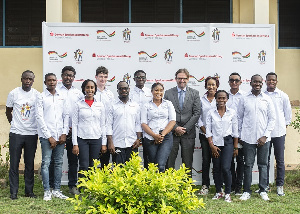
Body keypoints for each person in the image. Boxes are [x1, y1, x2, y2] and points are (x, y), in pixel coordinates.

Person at [238, 74, 276, 201]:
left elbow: (272, 119)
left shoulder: (267, 99)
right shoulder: (244, 98)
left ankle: (263, 189)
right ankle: (247, 191)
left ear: (262, 83)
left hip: (264, 139)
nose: (257, 84)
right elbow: (239, 118)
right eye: (255, 82)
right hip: (248, 138)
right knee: (248, 165)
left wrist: (265, 136)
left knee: (263, 164)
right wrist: (240, 136)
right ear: (251, 83)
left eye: (259, 82)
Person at [6, 70, 39, 200]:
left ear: (33, 80)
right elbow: (9, 111)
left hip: (32, 134)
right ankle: (13, 192)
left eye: (30, 79)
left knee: (29, 163)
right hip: (16, 133)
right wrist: (14, 124)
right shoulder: (13, 93)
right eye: (25, 78)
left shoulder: (37, 95)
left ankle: (29, 191)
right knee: (14, 163)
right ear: (21, 79)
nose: (27, 81)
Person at [36, 73, 69, 201]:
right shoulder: (41, 97)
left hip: (60, 136)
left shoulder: (62, 97)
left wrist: (64, 133)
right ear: (45, 83)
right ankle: (47, 191)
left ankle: (56, 190)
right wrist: (49, 136)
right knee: (46, 163)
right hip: (46, 137)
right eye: (49, 80)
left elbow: (66, 116)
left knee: (58, 163)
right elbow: (39, 117)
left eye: (54, 80)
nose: (51, 82)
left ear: (57, 82)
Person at [164, 68, 201, 177]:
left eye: (184, 78)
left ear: (188, 79)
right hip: (172, 132)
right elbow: (165, 113)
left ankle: (187, 187)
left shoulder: (195, 93)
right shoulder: (168, 93)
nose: (181, 81)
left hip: (188, 133)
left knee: (187, 162)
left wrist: (184, 128)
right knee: (169, 161)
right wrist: (175, 127)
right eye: (179, 78)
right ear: (175, 79)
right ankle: (169, 186)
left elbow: (197, 113)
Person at [206, 90, 239, 203]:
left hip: (228, 142)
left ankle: (228, 193)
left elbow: (235, 132)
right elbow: (208, 131)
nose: (221, 100)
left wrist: (235, 147)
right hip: (215, 143)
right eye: (219, 98)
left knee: (226, 168)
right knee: (216, 168)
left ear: (227, 99)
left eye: (223, 98)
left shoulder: (232, 112)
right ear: (216, 99)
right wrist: (212, 146)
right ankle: (219, 191)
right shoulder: (211, 113)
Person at [55, 66, 84, 195]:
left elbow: (81, 112)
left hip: (73, 131)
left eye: (71, 75)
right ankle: (52, 185)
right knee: (55, 159)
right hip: (58, 131)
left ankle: (72, 185)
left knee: (73, 160)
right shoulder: (55, 91)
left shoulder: (78, 93)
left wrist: (74, 127)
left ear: (74, 78)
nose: (68, 77)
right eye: (66, 75)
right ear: (61, 76)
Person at [72, 79, 107, 178]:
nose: (90, 90)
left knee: (93, 166)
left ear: (95, 89)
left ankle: (92, 190)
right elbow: (74, 124)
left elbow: (103, 125)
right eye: (87, 87)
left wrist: (103, 143)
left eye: (92, 87)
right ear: (83, 89)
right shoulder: (78, 104)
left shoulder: (100, 105)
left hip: (96, 139)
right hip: (82, 138)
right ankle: (83, 190)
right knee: (83, 165)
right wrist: (75, 144)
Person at [264, 72, 292, 196]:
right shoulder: (262, 95)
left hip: (279, 133)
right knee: (265, 160)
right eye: (269, 80)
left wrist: (282, 128)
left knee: (280, 161)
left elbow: (288, 115)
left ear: (276, 81)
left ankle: (280, 185)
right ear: (266, 81)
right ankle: (265, 185)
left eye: (273, 80)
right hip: (266, 134)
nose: (271, 82)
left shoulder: (283, 96)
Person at [141, 83, 176, 172]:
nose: (159, 92)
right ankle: (153, 185)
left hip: (166, 137)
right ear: (152, 91)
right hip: (150, 137)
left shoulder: (168, 104)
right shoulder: (146, 105)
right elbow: (143, 123)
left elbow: (172, 121)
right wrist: (154, 135)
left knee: (160, 165)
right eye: (156, 90)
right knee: (153, 165)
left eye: (161, 90)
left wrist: (162, 135)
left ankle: (161, 185)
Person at [106, 81, 142, 164]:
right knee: (118, 171)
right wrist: (110, 142)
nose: (123, 90)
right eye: (121, 89)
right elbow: (108, 125)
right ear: (117, 91)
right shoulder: (112, 105)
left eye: (125, 88)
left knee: (132, 171)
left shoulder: (135, 105)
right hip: (117, 143)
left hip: (132, 143)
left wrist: (138, 139)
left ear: (129, 89)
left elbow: (138, 124)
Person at [197, 76, 219, 195]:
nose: (211, 87)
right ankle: (205, 186)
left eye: (213, 85)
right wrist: (205, 131)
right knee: (206, 160)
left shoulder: (221, 98)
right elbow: (198, 118)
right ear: (205, 86)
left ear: (217, 86)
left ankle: (218, 186)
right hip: (204, 135)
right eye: (209, 85)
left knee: (217, 161)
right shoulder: (201, 100)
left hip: (218, 135)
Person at [227, 72, 246, 195]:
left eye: (236, 80)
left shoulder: (245, 96)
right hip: (228, 135)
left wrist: (240, 135)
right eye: (232, 80)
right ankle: (232, 185)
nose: (234, 82)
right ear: (229, 82)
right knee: (229, 162)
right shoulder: (224, 96)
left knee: (240, 162)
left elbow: (247, 117)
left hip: (242, 135)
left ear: (240, 82)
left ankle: (239, 186)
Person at [129, 70, 152, 168]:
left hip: (148, 127)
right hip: (133, 127)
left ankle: (147, 178)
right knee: (133, 154)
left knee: (148, 155)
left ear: (146, 79)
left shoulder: (150, 92)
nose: (141, 79)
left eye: (143, 77)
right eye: (138, 77)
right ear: (134, 79)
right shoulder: (129, 92)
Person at [94, 66, 115, 168]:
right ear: (96, 77)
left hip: (106, 131)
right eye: (101, 76)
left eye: (105, 77)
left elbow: (111, 113)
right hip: (94, 130)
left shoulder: (110, 94)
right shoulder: (91, 92)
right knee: (93, 161)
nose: (103, 79)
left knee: (105, 161)